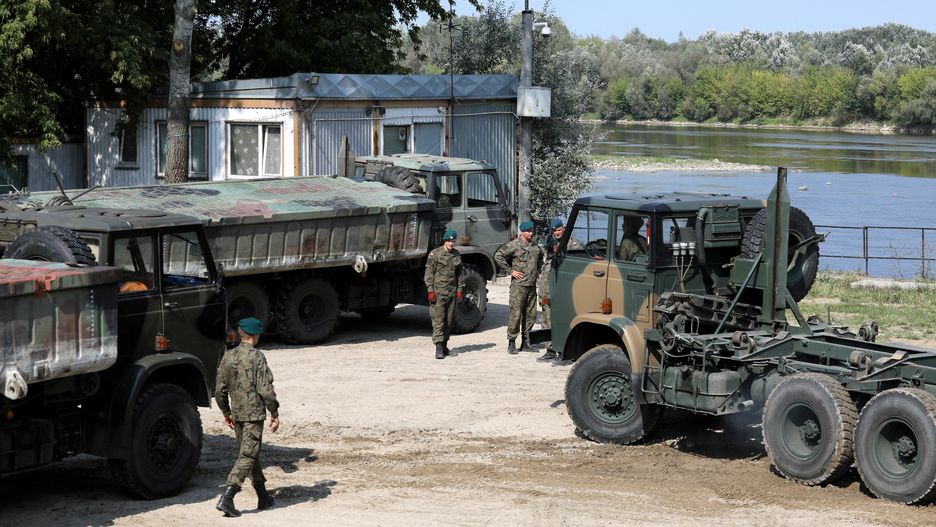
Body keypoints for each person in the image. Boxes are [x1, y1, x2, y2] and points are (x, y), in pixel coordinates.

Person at [215, 317, 280, 518]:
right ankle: (228, 496)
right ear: (255, 335)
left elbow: (219, 390)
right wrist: (274, 412)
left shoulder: (228, 356)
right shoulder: (257, 357)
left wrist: (226, 412)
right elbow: (265, 389)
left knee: (251, 453)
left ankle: (262, 496)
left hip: (237, 414)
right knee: (248, 455)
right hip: (253, 415)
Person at [535, 218, 581, 363]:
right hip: (547, 289)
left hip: (563, 290)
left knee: (563, 320)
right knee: (547, 319)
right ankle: (550, 350)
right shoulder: (550, 242)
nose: (556, 233)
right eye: (554, 230)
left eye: (559, 230)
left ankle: (565, 352)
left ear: (564, 228)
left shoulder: (572, 244)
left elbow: (576, 268)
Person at [495, 220, 543, 354]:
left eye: (532, 231)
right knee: (515, 315)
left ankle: (526, 343)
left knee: (530, 315)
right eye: (528, 231)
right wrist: (511, 271)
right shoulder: (514, 245)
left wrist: (538, 270)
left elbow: (540, 258)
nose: (531, 233)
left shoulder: (535, 247)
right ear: (522, 232)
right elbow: (498, 256)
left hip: (531, 286)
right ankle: (511, 342)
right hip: (519, 286)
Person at [424, 228, 465, 359]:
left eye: (453, 241)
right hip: (438, 293)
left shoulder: (456, 255)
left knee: (449, 320)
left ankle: (445, 344)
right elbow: (429, 273)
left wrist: (459, 290)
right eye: (449, 241)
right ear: (445, 241)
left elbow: (460, 275)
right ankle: (439, 347)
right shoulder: (435, 254)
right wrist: (430, 290)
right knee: (438, 320)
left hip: (451, 293)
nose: (452, 244)